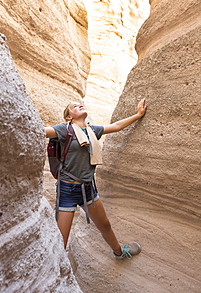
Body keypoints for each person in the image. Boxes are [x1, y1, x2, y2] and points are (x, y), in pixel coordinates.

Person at [45, 98, 147, 259]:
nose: (79, 105)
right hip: (67, 190)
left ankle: (119, 252)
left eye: (80, 104)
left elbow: (115, 126)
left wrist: (138, 114)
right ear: (69, 117)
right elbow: (41, 131)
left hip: (87, 188)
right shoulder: (64, 130)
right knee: (61, 239)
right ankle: (52, 272)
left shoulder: (92, 131)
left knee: (105, 225)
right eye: (74, 106)